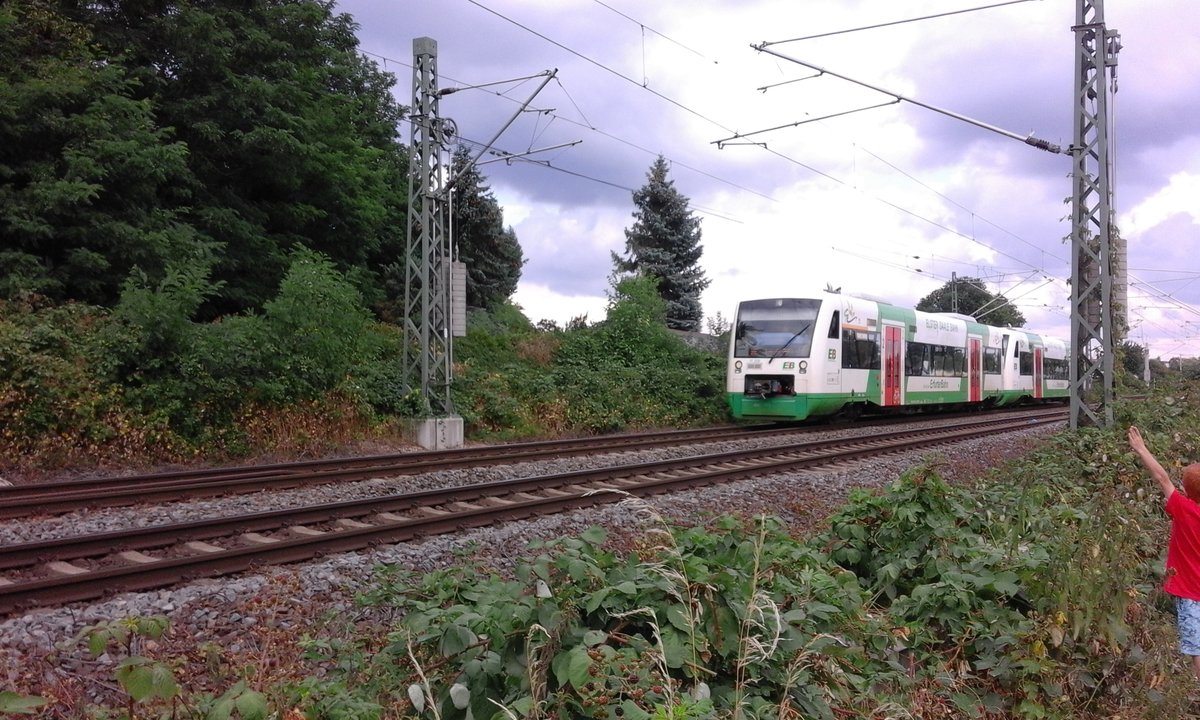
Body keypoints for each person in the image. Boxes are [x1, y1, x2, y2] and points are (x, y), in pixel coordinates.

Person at [1128, 425, 1200, 681]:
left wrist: (1141, 448)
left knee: (1196, 648)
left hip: (1190, 592)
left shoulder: (1184, 509)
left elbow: (1162, 478)